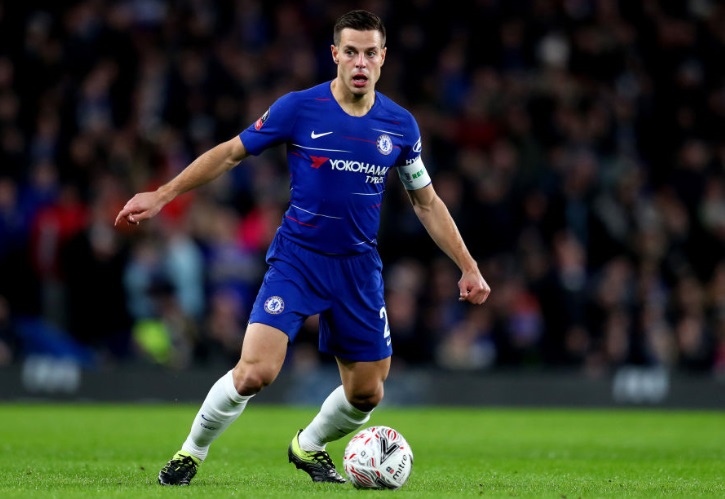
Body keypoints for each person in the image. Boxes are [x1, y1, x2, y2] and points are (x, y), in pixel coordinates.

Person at [115, 9, 491, 486]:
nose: (360, 62)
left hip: (358, 268)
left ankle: (308, 445)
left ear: (383, 58)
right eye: (350, 52)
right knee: (254, 372)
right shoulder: (298, 109)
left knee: (367, 393)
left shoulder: (400, 126)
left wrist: (467, 265)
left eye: (369, 53)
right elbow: (230, 153)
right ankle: (190, 453)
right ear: (335, 54)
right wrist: (162, 194)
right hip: (299, 260)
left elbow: (427, 202)